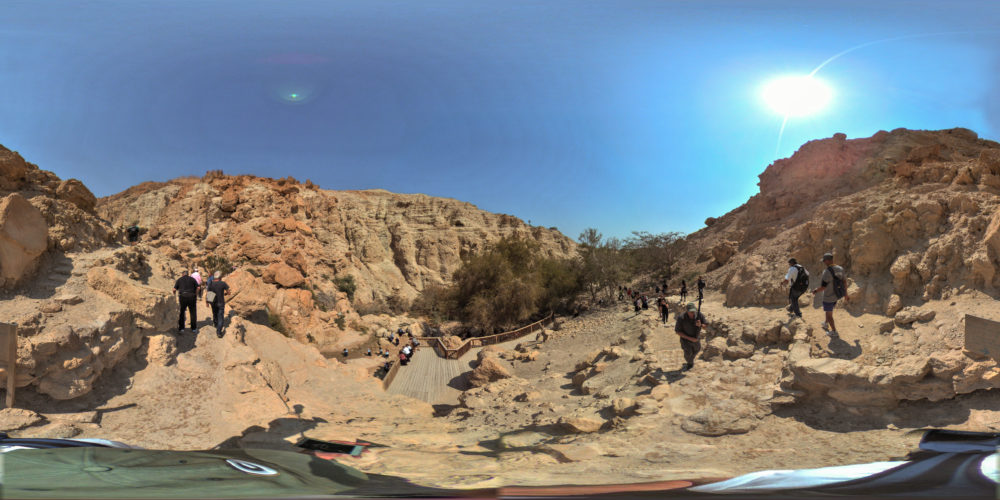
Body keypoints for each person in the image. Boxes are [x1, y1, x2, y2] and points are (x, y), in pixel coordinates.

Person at [812, 252, 846, 336]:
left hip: (828, 297)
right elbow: (844, 282)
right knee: (829, 311)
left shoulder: (826, 272)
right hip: (836, 295)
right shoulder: (840, 269)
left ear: (827, 260)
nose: (824, 262)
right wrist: (846, 294)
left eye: (824, 261)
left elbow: (823, 287)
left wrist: (815, 290)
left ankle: (834, 331)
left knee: (829, 314)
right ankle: (825, 323)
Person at [674, 302, 707, 371]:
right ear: (687, 311)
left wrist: (701, 325)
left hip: (696, 338)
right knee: (688, 353)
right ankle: (690, 363)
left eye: (693, 311)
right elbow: (677, 331)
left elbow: (706, 326)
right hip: (685, 339)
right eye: (691, 312)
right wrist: (690, 338)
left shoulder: (699, 315)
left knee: (697, 349)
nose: (693, 313)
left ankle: (690, 360)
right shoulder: (681, 317)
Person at [205, 271, 231, 337]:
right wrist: (225, 293)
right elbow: (229, 292)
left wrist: (207, 302)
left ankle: (215, 324)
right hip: (220, 302)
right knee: (220, 317)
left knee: (214, 313)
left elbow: (208, 293)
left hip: (213, 302)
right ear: (220, 277)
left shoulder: (211, 283)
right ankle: (219, 332)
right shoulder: (223, 283)